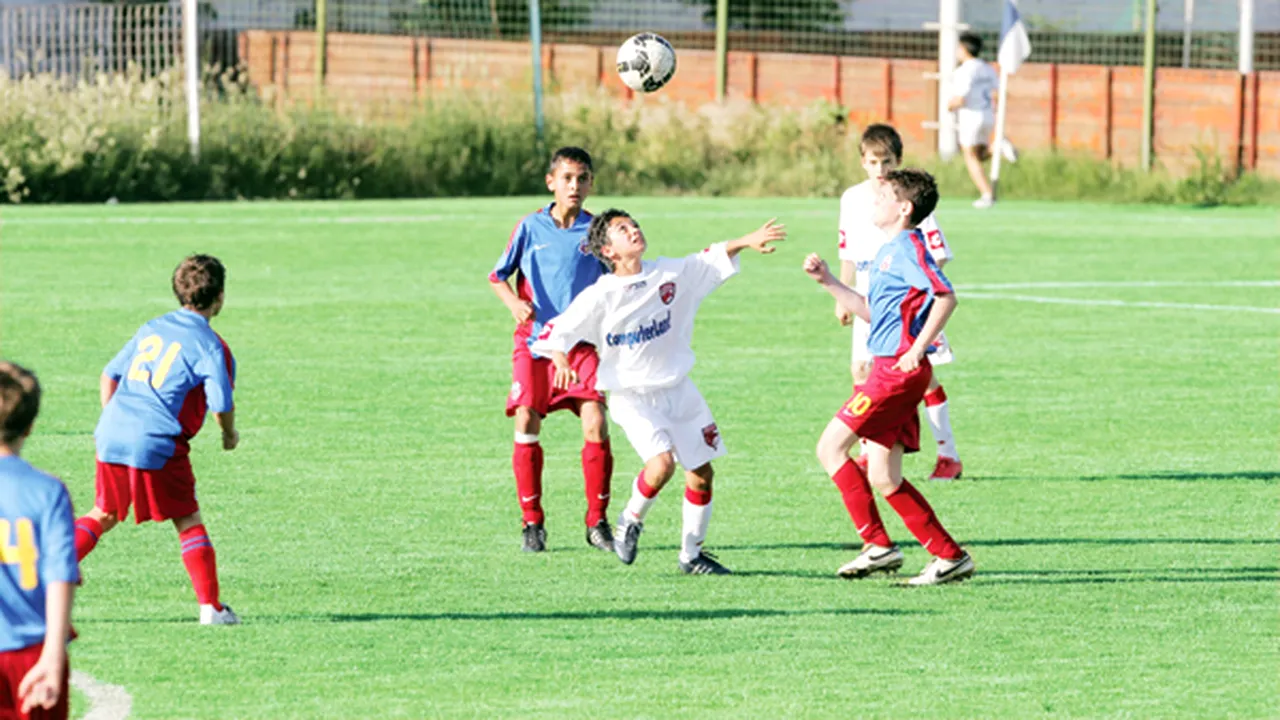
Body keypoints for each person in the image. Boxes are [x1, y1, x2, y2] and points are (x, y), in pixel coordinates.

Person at [532, 211, 786, 575]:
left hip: (679, 390)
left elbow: (708, 258)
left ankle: (691, 556)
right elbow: (556, 332)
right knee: (662, 464)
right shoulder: (600, 295)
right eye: (623, 229)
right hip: (631, 396)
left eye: (633, 224)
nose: (634, 230)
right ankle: (629, 520)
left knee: (701, 474)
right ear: (608, 250)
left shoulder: (667, 274)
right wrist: (559, 358)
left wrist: (747, 240)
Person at [805, 168, 974, 586]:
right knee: (883, 475)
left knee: (830, 448)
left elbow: (946, 295)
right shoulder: (888, 249)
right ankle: (948, 556)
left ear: (903, 209)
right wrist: (828, 281)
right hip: (889, 368)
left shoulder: (908, 248)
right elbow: (873, 313)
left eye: (881, 197)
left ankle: (878, 545)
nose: (872, 203)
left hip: (895, 373)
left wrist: (918, 349)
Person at [73, 254, 240, 625]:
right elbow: (221, 401)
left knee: (105, 512)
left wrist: (114, 417)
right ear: (221, 297)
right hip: (157, 439)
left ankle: (35, 576)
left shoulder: (152, 327)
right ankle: (211, 608)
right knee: (187, 518)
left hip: (112, 431)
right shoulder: (210, 345)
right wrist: (229, 433)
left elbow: (109, 374)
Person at [489, 147, 616, 554]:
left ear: (590, 183)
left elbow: (619, 280)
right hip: (535, 342)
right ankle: (532, 523)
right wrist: (513, 303)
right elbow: (497, 276)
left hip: (580, 345)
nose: (574, 186)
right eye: (567, 178)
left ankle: (597, 522)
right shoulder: (529, 227)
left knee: (595, 421)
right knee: (526, 417)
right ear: (551, 183)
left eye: (582, 179)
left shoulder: (597, 231)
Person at [837, 124, 963, 481]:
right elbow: (847, 249)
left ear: (898, 161)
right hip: (868, 296)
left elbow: (934, 257)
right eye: (874, 162)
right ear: (862, 162)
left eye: (887, 162)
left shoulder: (905, 201)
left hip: (905, 307)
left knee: (922, 379)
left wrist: (915, 296)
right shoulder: (852, 199)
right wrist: (842, 292)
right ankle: (868, 452)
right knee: (863, 371)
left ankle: (947, 454)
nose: (880, 171)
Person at [0, 361, 78, 719]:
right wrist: (52, 656)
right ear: (30, 427)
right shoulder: (47, 491)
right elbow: (60, 575)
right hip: (32, 652)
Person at [948, 32, 1017, 209]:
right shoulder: (988, 68)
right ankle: (997, 146)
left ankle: (987, 195)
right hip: (988, 115)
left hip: (971, 116)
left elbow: (960, 98)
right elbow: (999, 92)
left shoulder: (963, 71)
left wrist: (950, 106)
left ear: (964, 49)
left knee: (970, 156)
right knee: (980, 154)